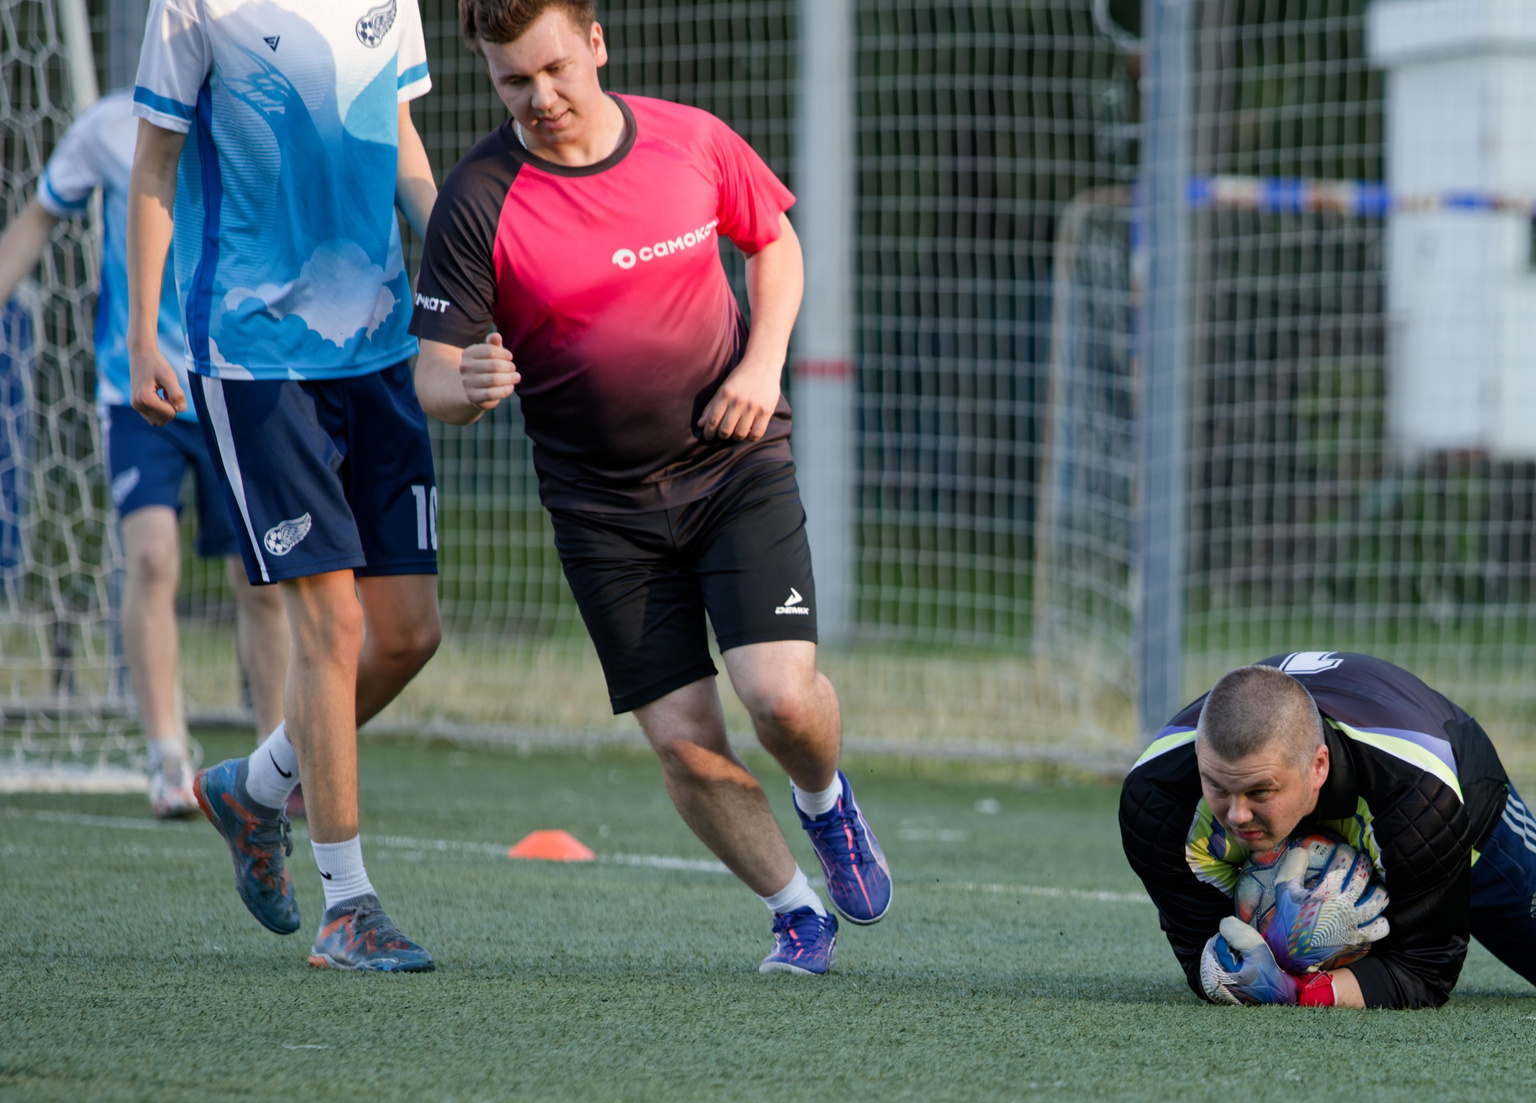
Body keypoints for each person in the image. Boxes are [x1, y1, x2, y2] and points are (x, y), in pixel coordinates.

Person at [409, 0, 890, 975]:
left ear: (595, 44)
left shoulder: (691, 141)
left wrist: (762, 366)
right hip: (602, 511)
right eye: (513, 81)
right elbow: (432, 378)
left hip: (731, 463)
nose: (539, 97)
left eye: (553, 69)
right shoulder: (476, 198)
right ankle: (794, 911)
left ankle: (825, 801)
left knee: (781, 701)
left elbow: (775, 242)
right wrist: (466, 387)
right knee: (684, 743)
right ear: (488, 77)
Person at [130, 0, 447, 970]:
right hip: (257, 352)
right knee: (333, 624)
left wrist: (468, 275)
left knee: (408, 633)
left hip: (382, 345)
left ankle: (255, 786)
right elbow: (155, 164)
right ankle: (347, 906)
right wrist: (144, 330)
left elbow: (402, 143)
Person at [0, 85, 286, 817]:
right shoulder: (104, 128)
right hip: (135, 388)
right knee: (153, 556)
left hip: (235, 378)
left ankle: (280, 764)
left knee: (262, 580)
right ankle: (167, 757)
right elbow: (36, 222)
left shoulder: (247, 118)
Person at [1120, 652, 1536, 1008]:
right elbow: (1203, 954)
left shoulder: (1420, 797)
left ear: (1318, 767)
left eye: (1260, 792)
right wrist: (1254, 972)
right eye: (1217, 787)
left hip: (1457, 809)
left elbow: (1426, 970)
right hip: (1381, 813)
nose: (1235, 815)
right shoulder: (1157, 801)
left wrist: (1302, 991)